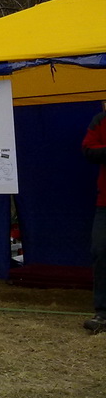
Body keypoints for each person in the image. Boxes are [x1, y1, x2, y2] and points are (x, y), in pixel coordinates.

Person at [83, 101, 106, 334]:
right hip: (104, 203)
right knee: (101, 251)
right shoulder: (100, 120)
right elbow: (88, 149)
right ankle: (103, 313)